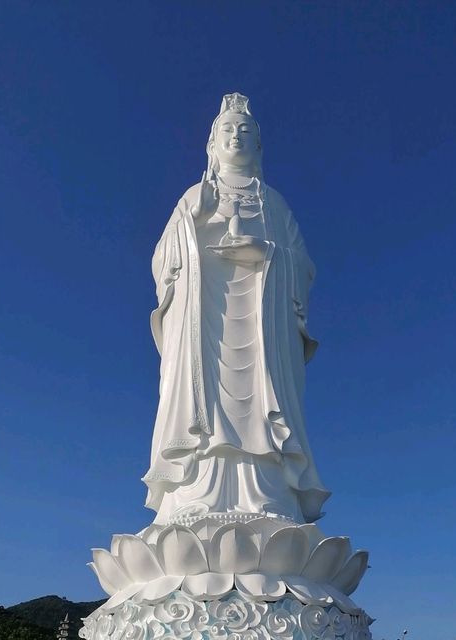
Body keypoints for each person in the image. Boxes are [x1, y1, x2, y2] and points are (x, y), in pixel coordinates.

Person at [143, 93, 330, 526]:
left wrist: (266, 253)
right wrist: (194, 222)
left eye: (246, 131)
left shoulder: (275, 204)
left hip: (263, 327)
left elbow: (302, 264)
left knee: (263, 407)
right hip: (204, 323)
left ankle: (269, 498)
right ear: (211, 144)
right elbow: (161, 261)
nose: (236, 136)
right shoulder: (193, 197)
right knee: (200, 404)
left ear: (259, 147)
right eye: (227, 129)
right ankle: (193, 496)